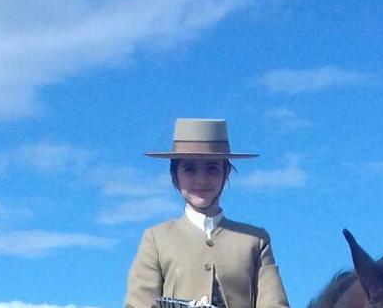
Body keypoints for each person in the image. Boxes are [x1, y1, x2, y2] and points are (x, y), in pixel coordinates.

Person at [124, 118, 290, 308]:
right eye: (190, 169)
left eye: (212, 168)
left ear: (226, 173)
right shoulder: (156, 239)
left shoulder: (255, 240)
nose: (201, 180)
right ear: (174, 175)